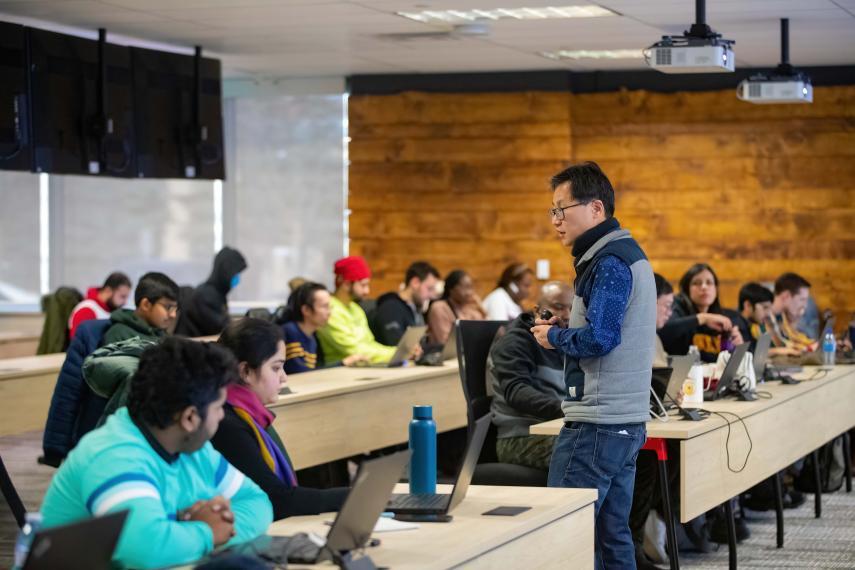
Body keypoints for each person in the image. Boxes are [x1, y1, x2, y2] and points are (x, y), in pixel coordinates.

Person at [39, 338, 272, 569]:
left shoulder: (195, 450)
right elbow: (145, 550)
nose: (222, 416)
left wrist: (208, 529)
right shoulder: (114, 454)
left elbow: (258, 503)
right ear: (190, 418)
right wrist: (206, 532)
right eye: (219, 407)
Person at [530, 161, 655, 569]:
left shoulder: (609, 262)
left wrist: (554, 337)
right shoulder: (625, 254)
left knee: (565, 538)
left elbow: (602, 339)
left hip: (597, 424)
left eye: (562, 209)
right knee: (611, 537)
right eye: (553, 211)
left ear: (596, 209)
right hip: (624, 422)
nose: (556, 221)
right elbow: (605, 327)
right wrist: (569, 326)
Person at [213, 318, 349, 519]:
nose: (284, 377)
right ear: (246, 372)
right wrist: (351, 495)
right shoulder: (227, 423)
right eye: (276, 368)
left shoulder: (249, 414)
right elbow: (277, 499)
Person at [488, 281, 571, 470]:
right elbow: (517, 392)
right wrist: (568, 410)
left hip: (559, 429)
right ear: (537, 309)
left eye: (571, 308)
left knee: (628, 452)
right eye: (558, 307)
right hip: (519, 438)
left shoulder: (564, 340)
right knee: (589, 454)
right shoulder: (514, 341)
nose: (566, 314)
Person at [318, 255, 414, 365]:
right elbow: (355, 351)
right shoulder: (329, 310)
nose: (367, 291)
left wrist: (401, 352)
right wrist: (397, 354)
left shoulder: (356, 309)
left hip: (365, 368)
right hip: (341, 373)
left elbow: (370, 344)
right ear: (346, 284)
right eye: (363, 285)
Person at [658, 263, 743, 363]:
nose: (704, 287)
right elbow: (663, 330)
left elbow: (719, 359)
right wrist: (702, 318)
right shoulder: (676, 306)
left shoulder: (719, 316)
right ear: (687, 289)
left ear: (716, 289)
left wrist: (736, 347)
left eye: (709, 282)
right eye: (697, 283)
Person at [280, 282, 367, 373]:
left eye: (330, 306)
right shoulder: (290, 332)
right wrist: (343, 363)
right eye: (325, 306)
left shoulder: (312, 336)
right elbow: (300, 373)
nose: (330, 312)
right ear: (306, 310)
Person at [176, 246, 247, 337]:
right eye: (235, 273)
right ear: (226, 272)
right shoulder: (206, 295)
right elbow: (223, 328)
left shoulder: (217, 294)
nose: (237, 277)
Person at [372, 261, 440, 346]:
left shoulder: (414, 310)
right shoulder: (390, 307)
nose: (430, 295)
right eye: (429, 289)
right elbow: (397, 345)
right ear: (415, 282)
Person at [102, 272, 180, 345]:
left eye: (175, 308)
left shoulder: (161, 334)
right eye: (168, 307)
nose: (173, 315)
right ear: (146, 305)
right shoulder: (118, 335)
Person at [425, 269, 487, 346]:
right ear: (452, 289)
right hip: (443, 356)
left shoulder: (469, 307)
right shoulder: (439, 308)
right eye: (465, 287)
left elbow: (485, 333)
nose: (470, 292)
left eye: (471, 287)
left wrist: (480, 308)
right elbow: (444, 342)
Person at [68, 272, 132, 339]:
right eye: (122, 296)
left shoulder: (111, 310)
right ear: (108, 291)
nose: (125, 302)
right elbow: (80, 344)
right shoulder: (86, 310)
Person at [770, 272, 815, 351]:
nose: (805, 306)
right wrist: (808, 348)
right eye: (802, 299)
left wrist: (816, 344)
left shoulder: (782, 315)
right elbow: (781, 346)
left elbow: (794, 339)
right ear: (786, 296)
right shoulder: (763, 317)